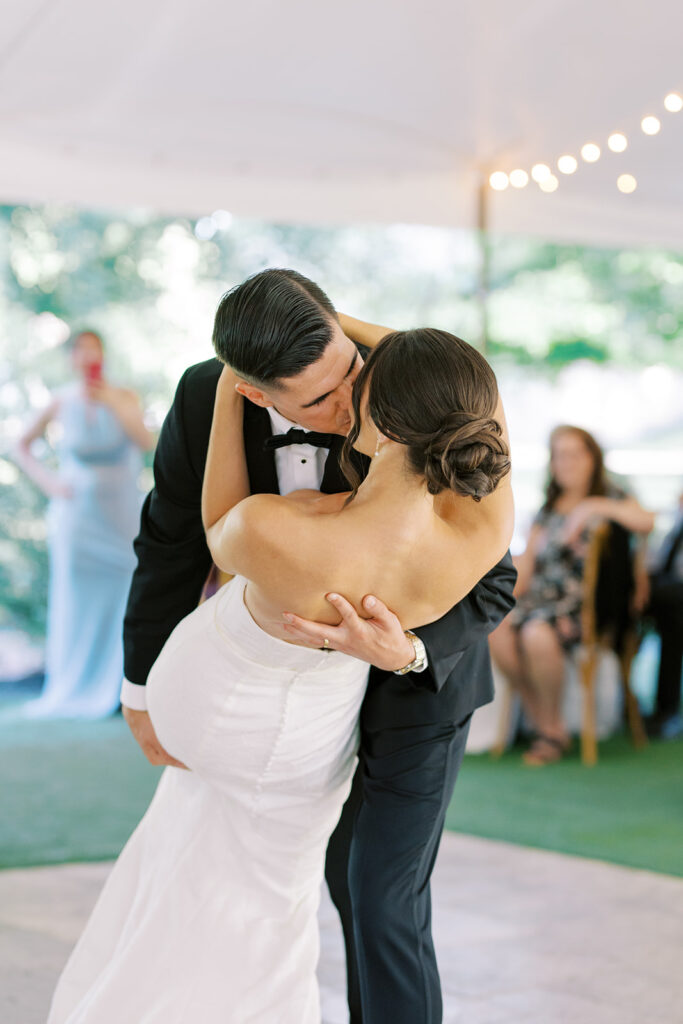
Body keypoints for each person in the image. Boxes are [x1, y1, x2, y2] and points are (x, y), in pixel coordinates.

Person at [52, 270, 517, 1024]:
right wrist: (139, 689)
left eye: (351, 373)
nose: (350, 405)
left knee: (376, 893)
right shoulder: (208, 394)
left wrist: (406, 651)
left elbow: (494, 586)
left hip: (422, 682)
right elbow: (170, 541)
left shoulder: (410, 390)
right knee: (255, 873)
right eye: (319, 399)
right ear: (258, 393)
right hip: (281, 697)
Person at [489, 424, 655, 765]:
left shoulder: (613, 496)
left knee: (536, 633)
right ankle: (546, 723)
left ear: (592, 458)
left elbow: (646, 522)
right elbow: (526, 571)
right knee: (495, 627)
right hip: (541, 602)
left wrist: (591, 506)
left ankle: (549, 733)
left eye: (574, 454)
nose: (565, 462)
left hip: (590, 608)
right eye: (559, 455)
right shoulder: (546, 512)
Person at [13, 330, 154, 718]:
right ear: (72, 358)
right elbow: (20, 446)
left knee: (129, 588)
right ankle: (77, 684)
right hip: (78, 517)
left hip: (121, 512)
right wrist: (51, 484)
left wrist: (112, 402)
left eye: (96, 349)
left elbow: (145, 441)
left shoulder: (124, 396)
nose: (90, 355)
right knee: (78, 599)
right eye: (82, 349)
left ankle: (123, 685)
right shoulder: (60, 400)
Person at [644, 490, 683, 739]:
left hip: (675, 597)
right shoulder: (675, 526)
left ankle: (666, 710)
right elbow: (657, 562)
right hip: (669, 595)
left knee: (673, 622)